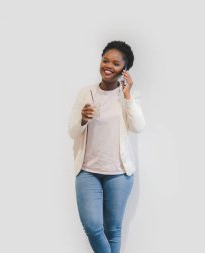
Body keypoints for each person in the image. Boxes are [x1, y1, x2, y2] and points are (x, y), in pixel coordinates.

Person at [68, 40, 145, 253]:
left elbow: (138, 127)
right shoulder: (86, 93)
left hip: (119, 173)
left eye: (116, 63)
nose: (108, 66)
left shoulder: (128, 97)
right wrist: (82, 120)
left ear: (124, 69)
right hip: (87, 171)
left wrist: (128, 96)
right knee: (93, 227)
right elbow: (71, 132)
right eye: (105, 60)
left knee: (113, 229)